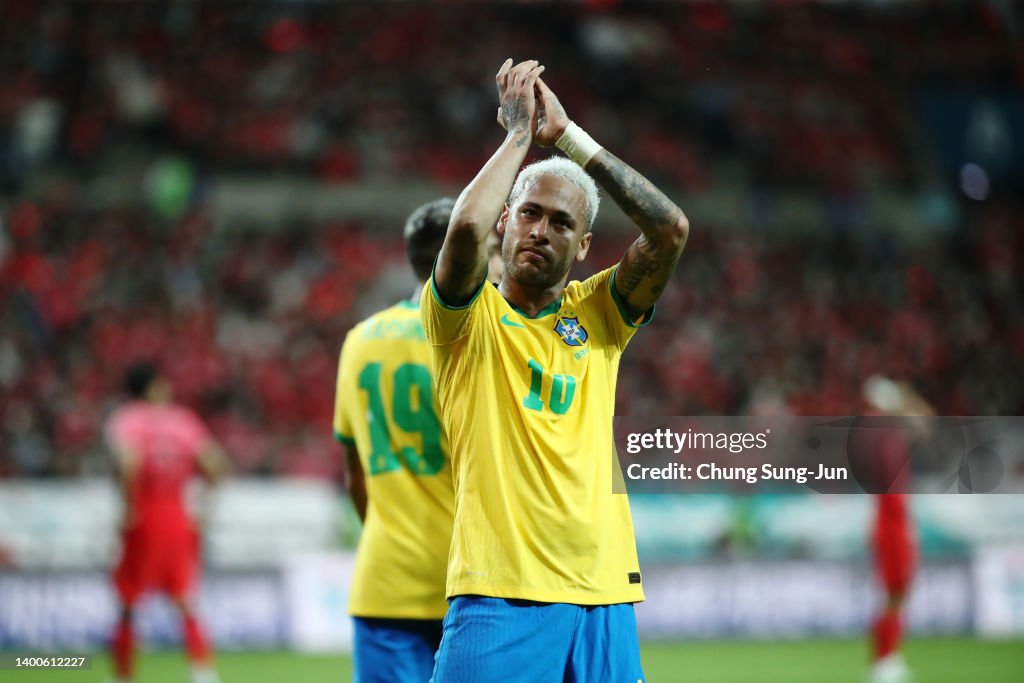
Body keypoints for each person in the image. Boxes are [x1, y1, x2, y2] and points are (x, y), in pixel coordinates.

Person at [421, 59, 689, 682]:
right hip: (500, 591)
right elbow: (463, 227)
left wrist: (569, 139)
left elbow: (670, 230)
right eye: (530, 213)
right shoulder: (466, 318)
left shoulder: (600, 312)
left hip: (602, 593)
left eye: (562, 222)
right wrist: (518, 136)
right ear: (507, 218)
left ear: (585, 246)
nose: (542, 230)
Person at [333, 198, 502, 682]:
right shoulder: (473, 337)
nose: (499, 263)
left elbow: (355, 474)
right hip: (474, 586)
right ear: (461, 257)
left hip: (384, 583)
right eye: (491, 250)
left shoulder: (359, 340)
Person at [106, 363, 228, 683]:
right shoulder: (184, 420)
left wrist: (127, 506)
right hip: (178, 514)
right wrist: (205, 509)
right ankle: (203, 672)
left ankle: (123, 676)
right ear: (154, 386)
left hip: (144, 513)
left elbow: (128, 462)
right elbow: (215, 464)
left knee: (129, 601)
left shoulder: (127, 419)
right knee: (185, 598)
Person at [861, 376, 933, 683]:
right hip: (890, 522)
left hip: (893, 520)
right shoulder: (879, 431)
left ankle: (889, 657)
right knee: (893, 592)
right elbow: (925, 423)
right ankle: (883, 661)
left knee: (897, 593)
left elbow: (926, 424)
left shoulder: (890, 434)